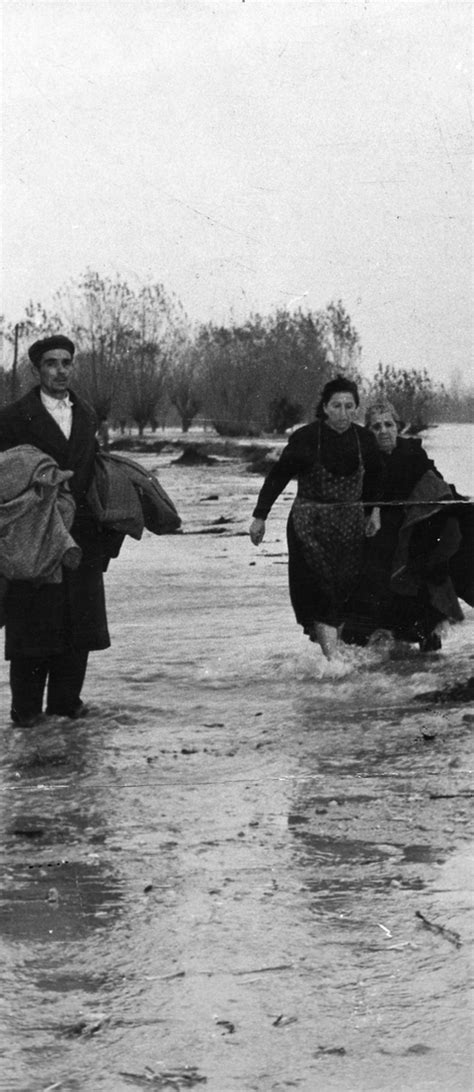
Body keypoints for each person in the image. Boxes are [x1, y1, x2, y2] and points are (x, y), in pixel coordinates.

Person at [0, 334, 110, 726]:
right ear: (37, 369)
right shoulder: (12, 417)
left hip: (80, 534)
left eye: (66, 362)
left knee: (78, 623)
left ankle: (67, 706)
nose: (60, 370)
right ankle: (26, 717)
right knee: (32, 625)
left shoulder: (87, 413)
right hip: (33, 534)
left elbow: (92, 469)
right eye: (51, 363)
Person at [249, 376, 383, 660]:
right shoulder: (306, 438)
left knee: (345, 590)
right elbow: (278, 477)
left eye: (349, 406)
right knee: (319, 590)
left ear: (357, 408)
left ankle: (337, 654)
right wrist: (260, 517)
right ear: (324, 407)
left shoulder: (365, 440)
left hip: (350, 526)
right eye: (337, 406)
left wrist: (374, 512)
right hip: (309, 526)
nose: (343, 413)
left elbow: (374, 480)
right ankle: (333, 660)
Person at [341, 399, 468, 651]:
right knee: (370, 592)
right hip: (379, 539)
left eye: (388, 424)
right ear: (368, 432)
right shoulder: (362, 461)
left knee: (424, 595)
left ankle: (428, 661)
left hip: (416, 536)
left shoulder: (414, 454)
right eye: (376, 427)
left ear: (398, 428)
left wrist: (455, 502)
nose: (383, 431)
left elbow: (435, 487)